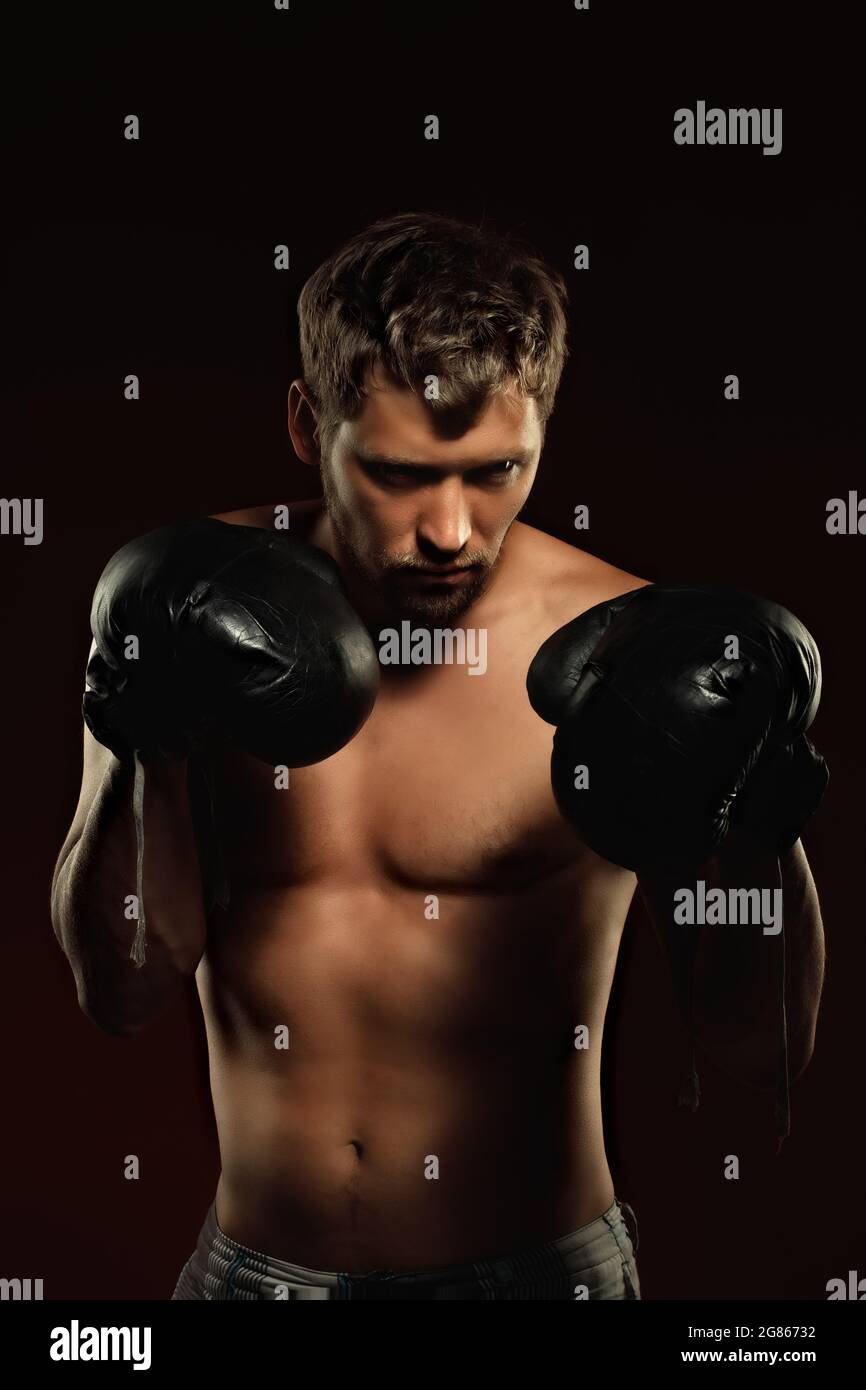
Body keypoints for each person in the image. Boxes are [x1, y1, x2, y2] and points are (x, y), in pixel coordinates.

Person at [50, 212, 826, 1300]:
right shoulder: (186, 611)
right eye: (400, 473)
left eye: (497, 470)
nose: (451, 529)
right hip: (255, 1277)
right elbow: (121, 988)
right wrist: (140, 745)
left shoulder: (625, 647)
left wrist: (758, 817)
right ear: (304, 421)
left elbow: (758, 1054)